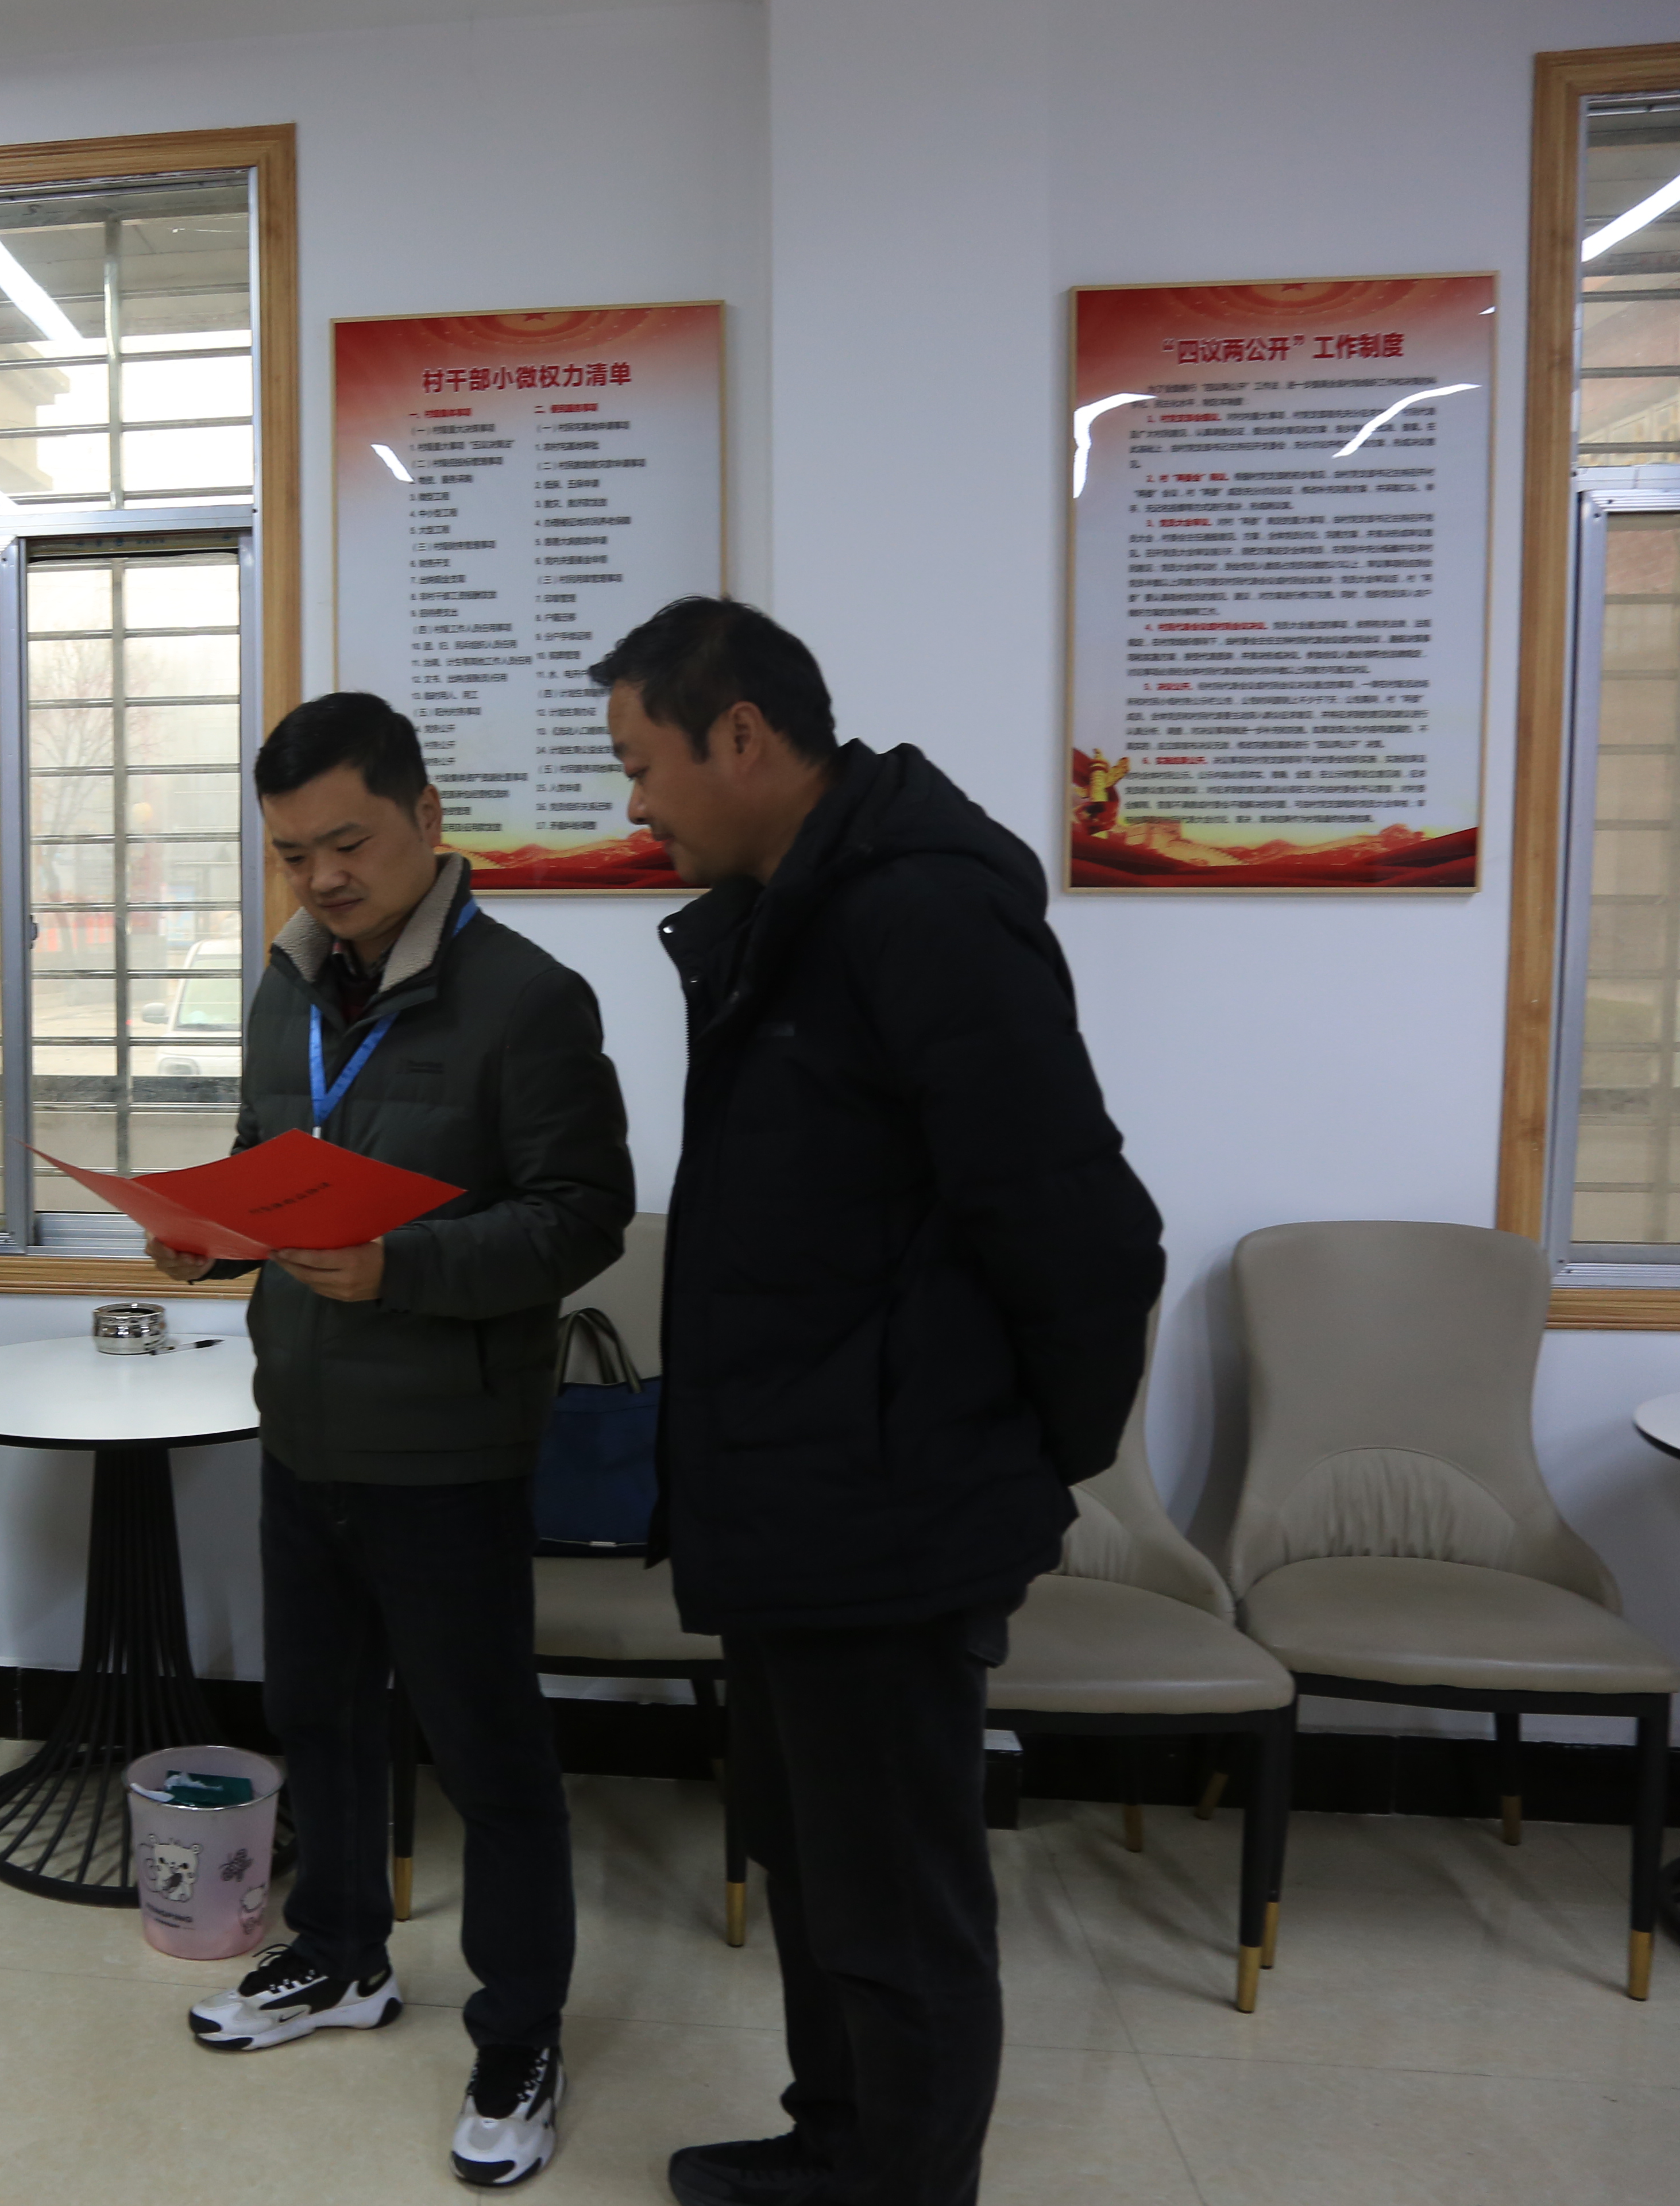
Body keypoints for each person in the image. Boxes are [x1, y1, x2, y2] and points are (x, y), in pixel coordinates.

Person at [599, 598, 1163, 2206]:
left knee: (900, 1904)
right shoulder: (792, 913)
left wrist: (1021, 1462)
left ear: (742, 737)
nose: (633, 803)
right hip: (797, 1507)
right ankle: (835, 2149)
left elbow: (1085, 1233)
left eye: (641, 763)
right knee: (813, 1862)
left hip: (885, 1520)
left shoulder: (922, 914)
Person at [148, 692, 631, 2191]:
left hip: (451, 1452)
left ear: (427, 818)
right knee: (319, 1716)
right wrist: (206, 1235)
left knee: (489, 1758)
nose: (324, 878)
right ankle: (340, 1954)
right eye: (293, 854)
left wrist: (404, 1268)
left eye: (348, 843)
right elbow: (272, 1172)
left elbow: (583, 1219)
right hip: (303, 1426)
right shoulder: (286, 989)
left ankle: (521, 2029)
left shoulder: (530, 1000)